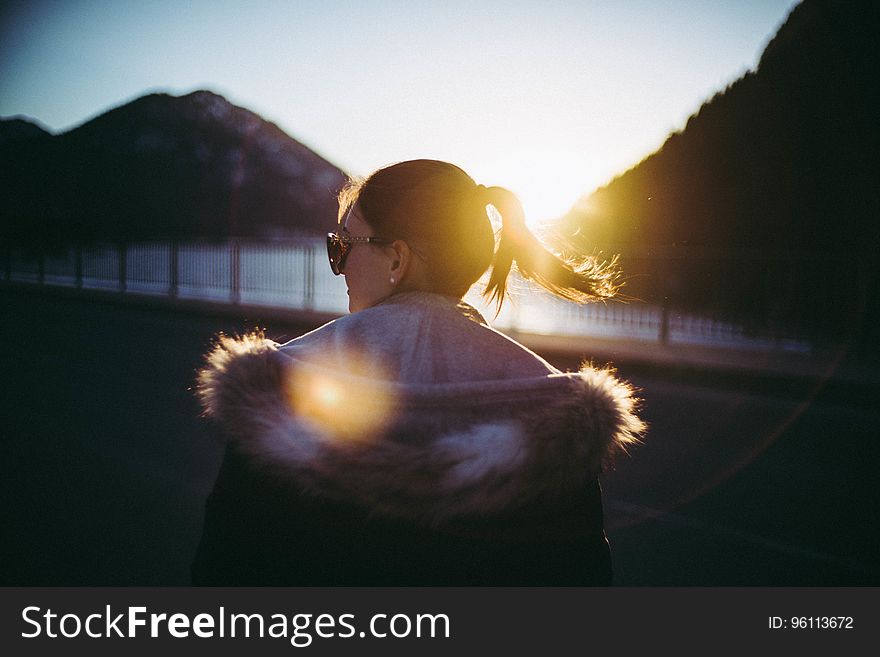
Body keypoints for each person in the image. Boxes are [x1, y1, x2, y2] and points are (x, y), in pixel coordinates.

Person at [192, 159, 645, 585]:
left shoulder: (274, 383)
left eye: (345, 245)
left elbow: (222, 575)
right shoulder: (559, 413)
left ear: (396, 259)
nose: (340, 264)